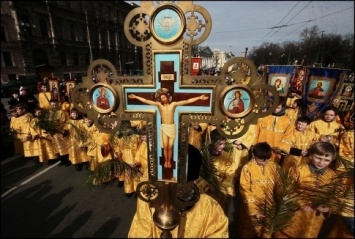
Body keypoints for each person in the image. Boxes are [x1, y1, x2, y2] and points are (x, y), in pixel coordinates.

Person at [128, 144, 229, 238]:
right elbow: (139, 232)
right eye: (166, 182)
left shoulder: (209, 207)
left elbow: (218, 233)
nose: (172, 188)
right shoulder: (149, 202)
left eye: (181, 183)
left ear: (193, 180)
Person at [128, 88, 209, 169]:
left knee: (170, 146)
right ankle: (166, 161)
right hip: (164, 127)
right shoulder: (159, 105)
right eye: (162, 98)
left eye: (164, 97)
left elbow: (187, 101)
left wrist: (199, 98)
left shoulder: (173, 104)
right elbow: (146, 101)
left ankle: (169, 161)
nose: (163, 99)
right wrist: (136, 97)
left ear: (167, 97)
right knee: (165, 146)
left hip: (172, 127)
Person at [273, 141, 340, 238]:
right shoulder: (298, 170)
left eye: (326, 160)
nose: (321, 162)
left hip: (315, 219)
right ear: (311, 155)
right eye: (318, 158)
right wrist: (300, 203)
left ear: (332, 160)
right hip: (293, 214)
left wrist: (328, 208)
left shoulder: (333, 176)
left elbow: (336, 196)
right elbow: (283, 190)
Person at [238, 142, 280, 238]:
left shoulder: (274, 166)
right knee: (251, 230)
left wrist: (283, 197)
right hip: (253, 206)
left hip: (269, 204)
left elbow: (279, 184)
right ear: (254, 155)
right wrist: (254, 210)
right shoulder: (247, 168)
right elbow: (245, 189)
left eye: (267, 159)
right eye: (261, 159)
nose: (264, 162)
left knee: (266, 230)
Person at [254, 96, 294, 164]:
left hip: (276, 151)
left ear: (283, 107)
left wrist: (281, 148)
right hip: (260, 149)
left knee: (272, 169)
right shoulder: (263, 117)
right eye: (274, 106)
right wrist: (254, 145)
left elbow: (288, 136)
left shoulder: (288, 121)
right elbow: (256, 132)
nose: (275, 109)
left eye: (278, 107)